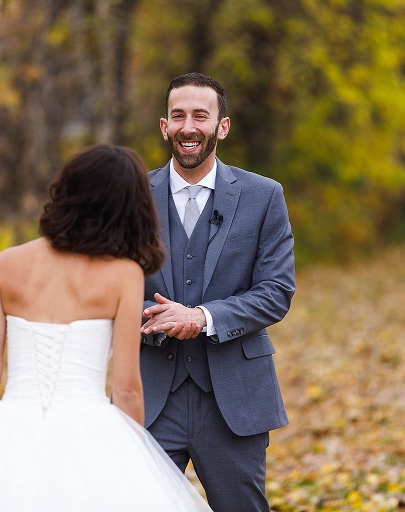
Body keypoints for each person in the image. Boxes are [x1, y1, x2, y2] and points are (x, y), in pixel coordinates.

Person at [0, 144, 213, 512]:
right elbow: (127, 388)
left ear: (68, 192)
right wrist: (133, 461)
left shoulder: (7, 263)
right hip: (91, 430)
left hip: (9, 425)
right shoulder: (123, 274)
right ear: (129, 206)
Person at [139, 72, 296, 512]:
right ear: (165, 126)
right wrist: (148, 317)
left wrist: (202, 318)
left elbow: (276, 290)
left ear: (221, 127)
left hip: (234, 401)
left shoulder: (264, 196)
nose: (189, 126)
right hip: (149, 397)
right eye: (178, 116)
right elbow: (104, 286)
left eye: (201, 116)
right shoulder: (131, 196)